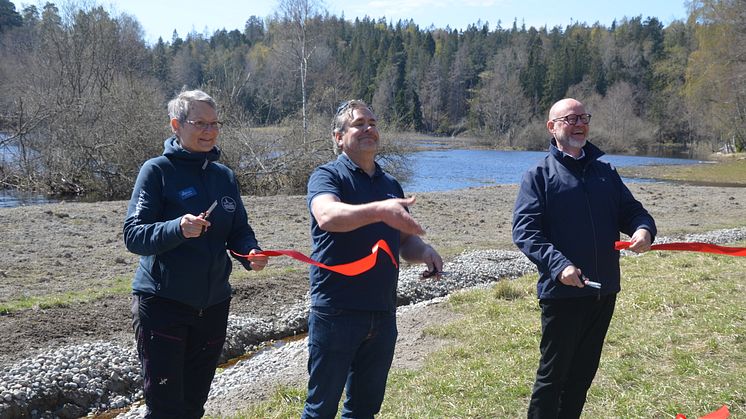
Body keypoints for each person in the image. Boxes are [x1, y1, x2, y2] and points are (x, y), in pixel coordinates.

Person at [123, 89, 268, 418]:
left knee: (192, 406)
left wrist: (250, 253)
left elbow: (238, 231)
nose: (210, 131)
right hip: (162, 305)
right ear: (176, 124)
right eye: (200, 123)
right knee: (165, 408)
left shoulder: (224, 176)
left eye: (214, 123)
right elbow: (133, 236)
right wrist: (176, 227)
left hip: (214, 306)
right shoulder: (156, 171)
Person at [512, 98, 657, 418]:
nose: (579, 124)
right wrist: (558, 265)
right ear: (552, 127)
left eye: (583, 117)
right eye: (570, 119)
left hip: (604, 291)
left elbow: (632, 212)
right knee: (552, 378)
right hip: (563, 293)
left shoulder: (605, 171)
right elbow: (525, 231)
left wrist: (643, 230)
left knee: (581, 378)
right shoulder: (538, 175)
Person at [302, 99, 443, 418]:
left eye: (373, 123)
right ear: (338, 137)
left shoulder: (390, 184)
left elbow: (404, 241)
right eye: (358, 124)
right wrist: (380, 209)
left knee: (364, 409)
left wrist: (425, 252)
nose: (368, 129)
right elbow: (327, 215)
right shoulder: (327, 176)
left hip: (381, 312)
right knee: (320, 408)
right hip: (336, 311)